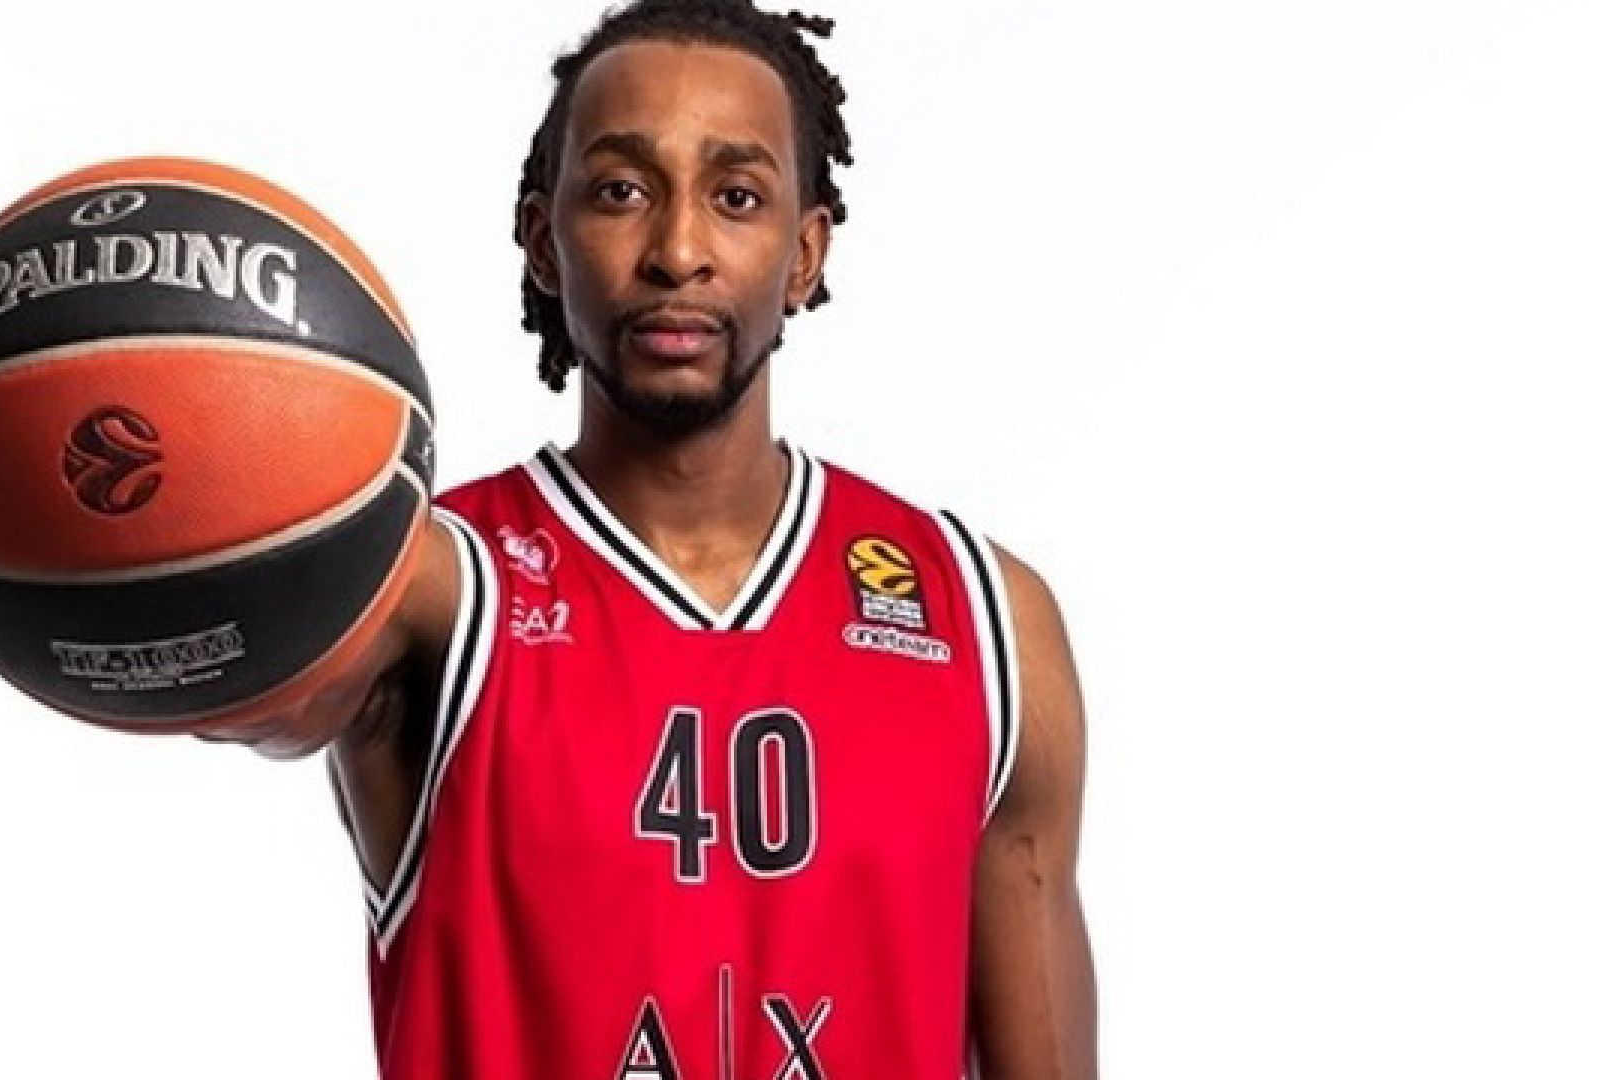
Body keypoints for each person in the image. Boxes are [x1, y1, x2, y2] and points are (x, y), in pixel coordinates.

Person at [199, 1, 1096, 1075]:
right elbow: (259, 681)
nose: (677, 251)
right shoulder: (433, 586)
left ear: (805, 253)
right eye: (622, 191)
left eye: (736, 197)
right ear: (544, 242)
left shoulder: (984, 621)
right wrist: (179, 499)